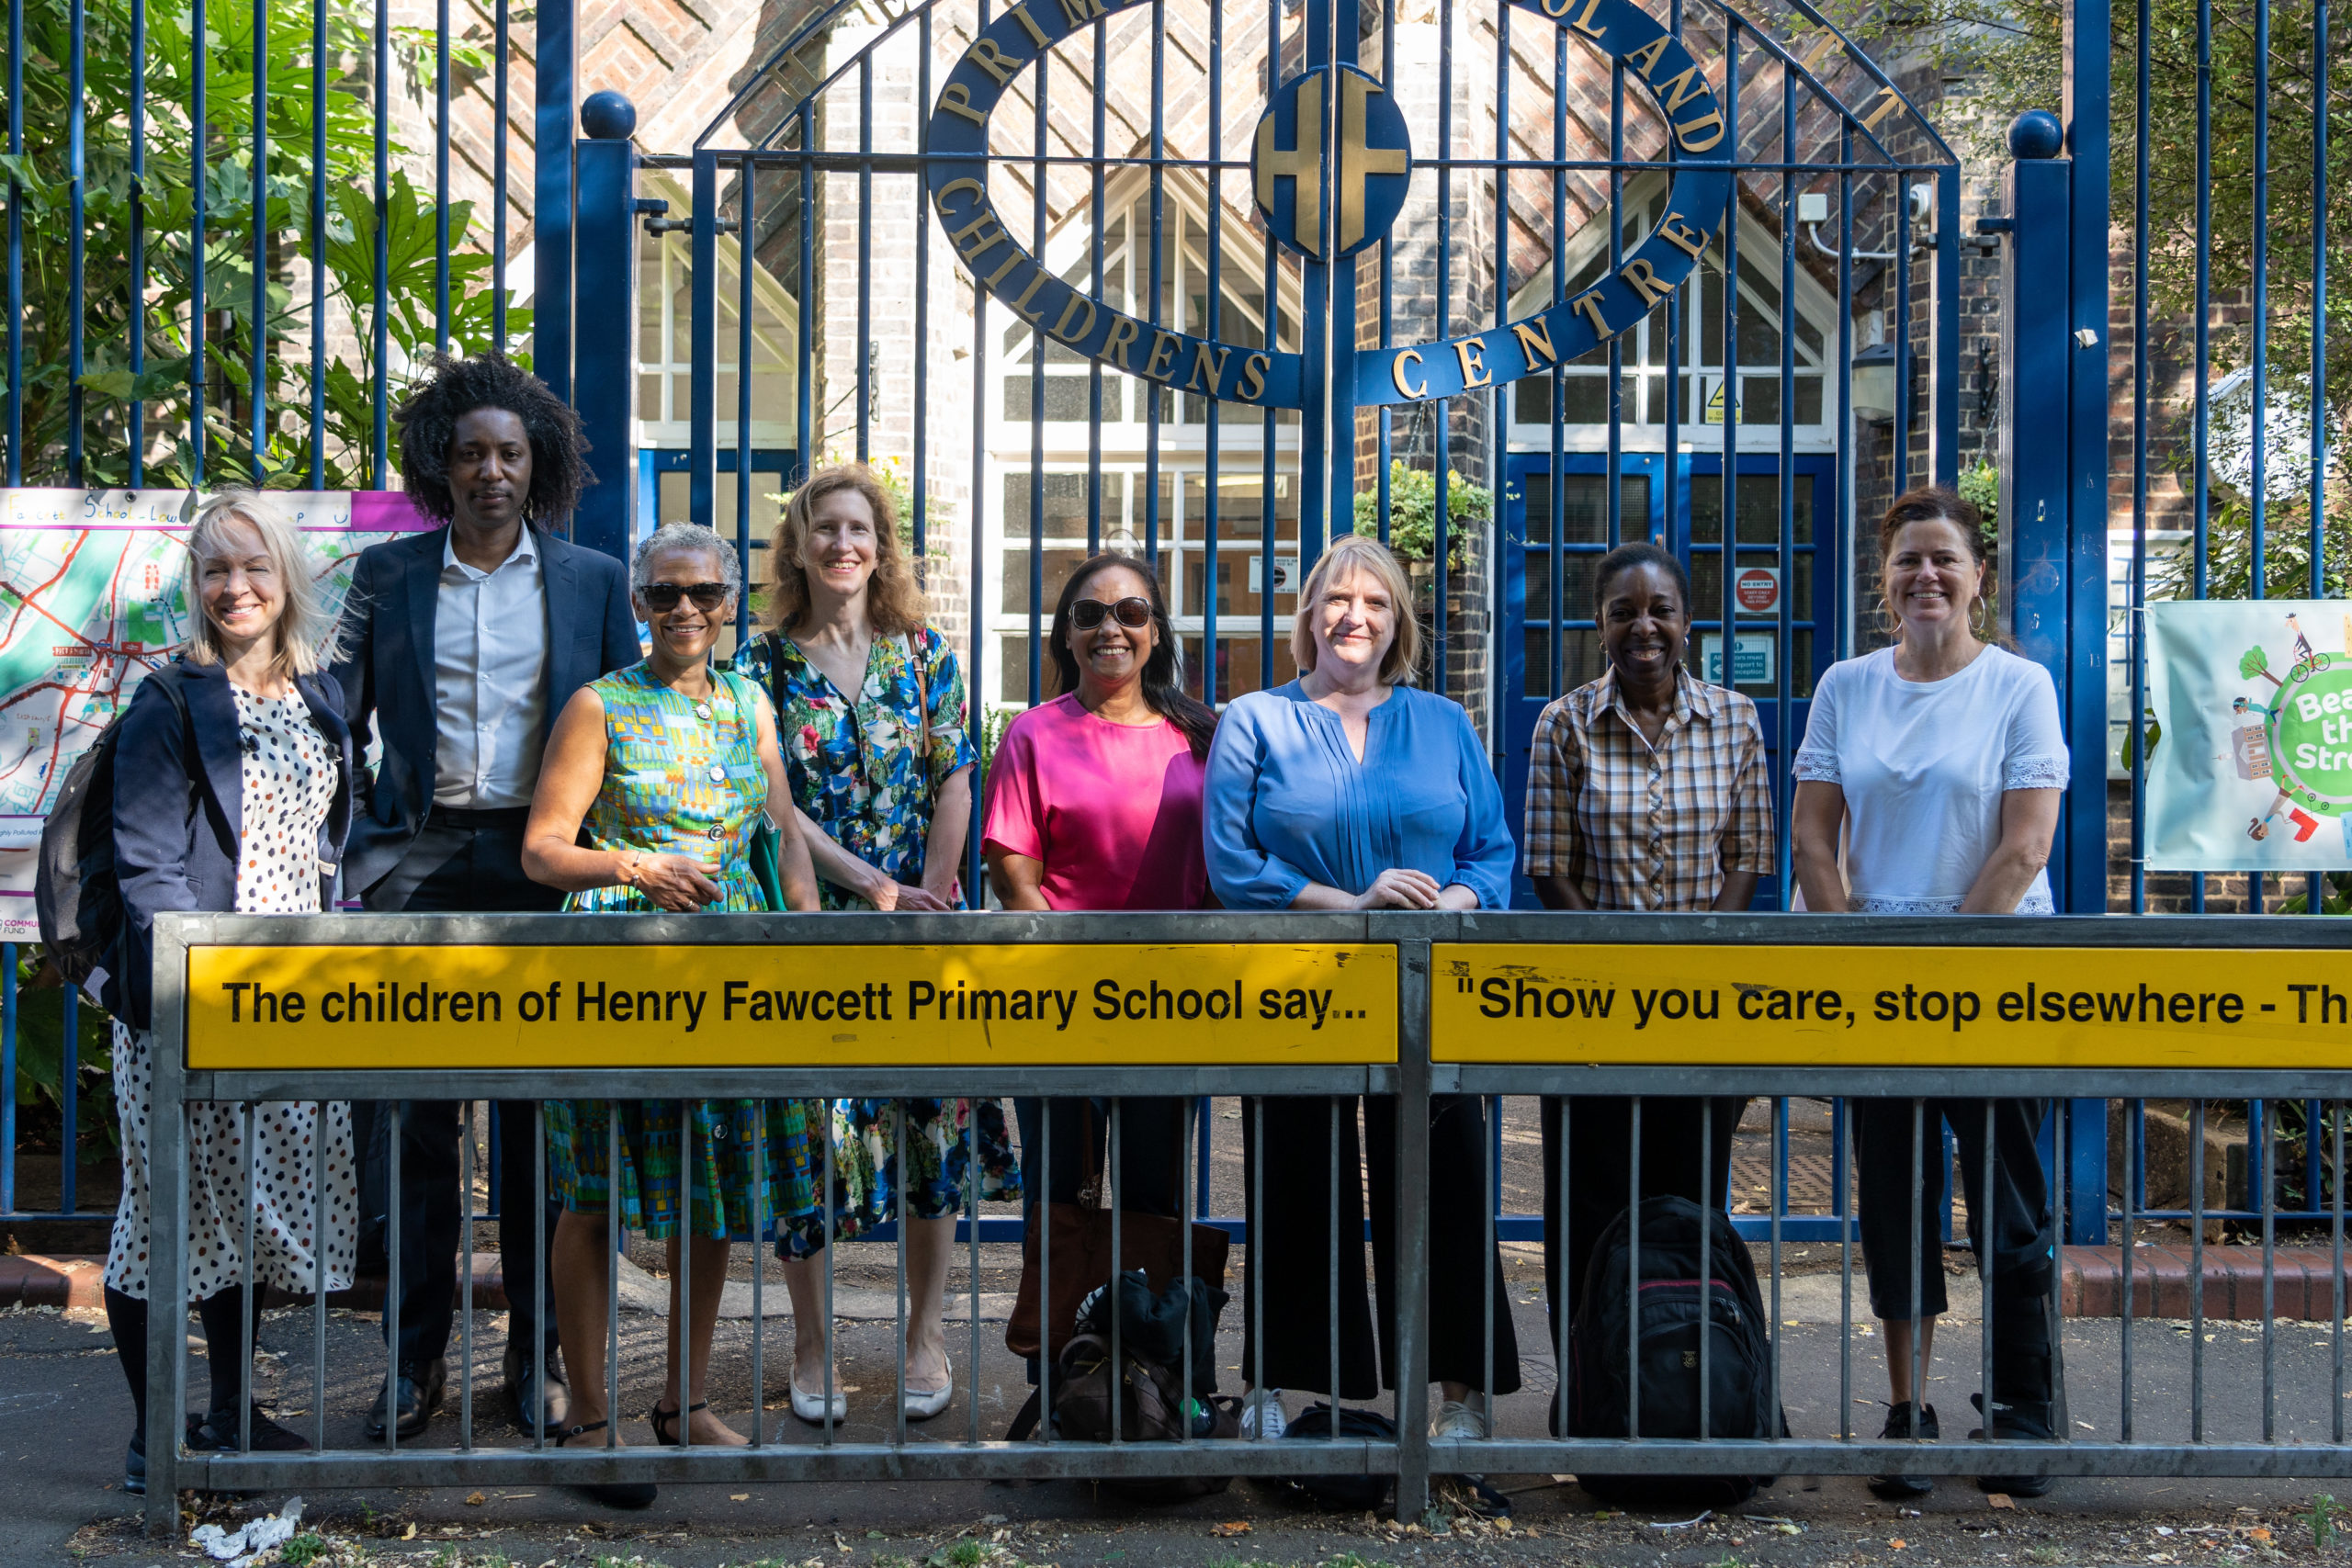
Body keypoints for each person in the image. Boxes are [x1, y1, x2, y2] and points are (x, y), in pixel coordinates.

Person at [332, 352, 639, 1441]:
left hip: (539, 863)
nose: (492, 471)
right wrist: (340, 852)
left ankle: (534, 1358)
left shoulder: (594, 581)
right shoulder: (388, 578)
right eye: (472, 454)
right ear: (441, 466)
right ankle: (412, 1365)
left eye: (510, 453)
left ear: (536, 463)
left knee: (534, 1124)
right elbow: (334, 719)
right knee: (415, 1123)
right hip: (417, 861)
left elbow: (628, 727)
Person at [522, 522, 823, 1508]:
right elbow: (542, 852)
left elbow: (778, 833)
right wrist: (635, 866)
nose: (684, 610)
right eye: (663, 594)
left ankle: (684, 1401)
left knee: (716, 1187)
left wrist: (810, 940)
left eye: (702, 592)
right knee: (596, 1189)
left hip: (734, 973)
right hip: (621, 973)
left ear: (730, 601)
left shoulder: (750, 704)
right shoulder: (599, 706)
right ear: (639, 604)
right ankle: (592, 1421)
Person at [1203, 532, 1520, 1444]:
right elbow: (1231, 860)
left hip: (1429, 985)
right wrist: (1353, 902)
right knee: (1296, 1172)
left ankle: (1457, 1392)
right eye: (1338, 600)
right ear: (1308, 617)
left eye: (1375, 603)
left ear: (1398, 624)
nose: (1355, 616)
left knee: (1443, 1180)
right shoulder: (1255, 720)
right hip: (1300, 982)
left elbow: (1490, 848)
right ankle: (1286, 1379)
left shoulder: (1444, 724)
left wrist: (1447, 902)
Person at [1791, 484, 2067, 1499]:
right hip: (1876, 985)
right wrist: (1861, 960)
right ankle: (1907, 1410)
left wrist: (1941, 971)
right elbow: (1814, 836)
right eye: (1908, 559)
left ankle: (2024, 1412)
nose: (1926, 576)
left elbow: (2026, 844)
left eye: (1944, 559)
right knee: (1895, 1203)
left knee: (2011, 1205)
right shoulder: (1845, 687)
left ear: (1977, 577)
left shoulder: (2017, 688)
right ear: (1884, 578)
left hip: (1990, 980)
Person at [734, 465, 1019, 1422]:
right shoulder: (760, 666)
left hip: (922, 933)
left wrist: (930, 895)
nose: (842, 544)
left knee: (929, 1124)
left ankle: (925, 1330)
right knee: (810, 1131)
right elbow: (771, 805)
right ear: (798, 546)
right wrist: (871, 887)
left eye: (859, 528)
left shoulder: (926, 654)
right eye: (824, 528)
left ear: (881, 544)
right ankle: (812, 1345)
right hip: (815, 929)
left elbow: (954, 774)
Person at [102, 489, 357, 1492]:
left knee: (249, 1221)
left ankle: (229, 1414)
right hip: (197, 1003)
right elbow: (147, 869)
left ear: (288, 574)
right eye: (215, 569)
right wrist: (204, 999)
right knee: (164, 1216)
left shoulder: (320, 695)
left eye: (253, 566)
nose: (234, 587)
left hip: (293, 1000)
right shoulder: (169, 702)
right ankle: (150, 1432)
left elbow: (329, 848)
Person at [1521, 540, 1772, 1427]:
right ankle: (1590, 1390)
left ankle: (1687, 1384)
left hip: (1703, 1007)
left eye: (1660, 608)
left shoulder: (1737, 719)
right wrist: (1621, 962)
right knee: (1585, 1206)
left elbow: (1748, 855)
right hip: (1593, 1005)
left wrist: (1698, 957)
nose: (1644, 626)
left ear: (1687, 619)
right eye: (1624, 611)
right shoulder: (1563, 723)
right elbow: (1549, 864)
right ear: (1600, 626)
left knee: (1691, 1198)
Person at [982, 551, 1218, 1411]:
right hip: (1066, 1001)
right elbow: (1014, 869)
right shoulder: (1034, 733)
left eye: (1131, 612)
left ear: (1158, 632)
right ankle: (1063, 1374)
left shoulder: (1204, 734)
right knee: (1063, 1194)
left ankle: (1159, 1373)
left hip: (1173, 1002)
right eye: (1089, 615)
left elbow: (1224, 864)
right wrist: (1075, 975)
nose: (1110, 628)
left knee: (1157, 1194)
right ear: (1066, 634)